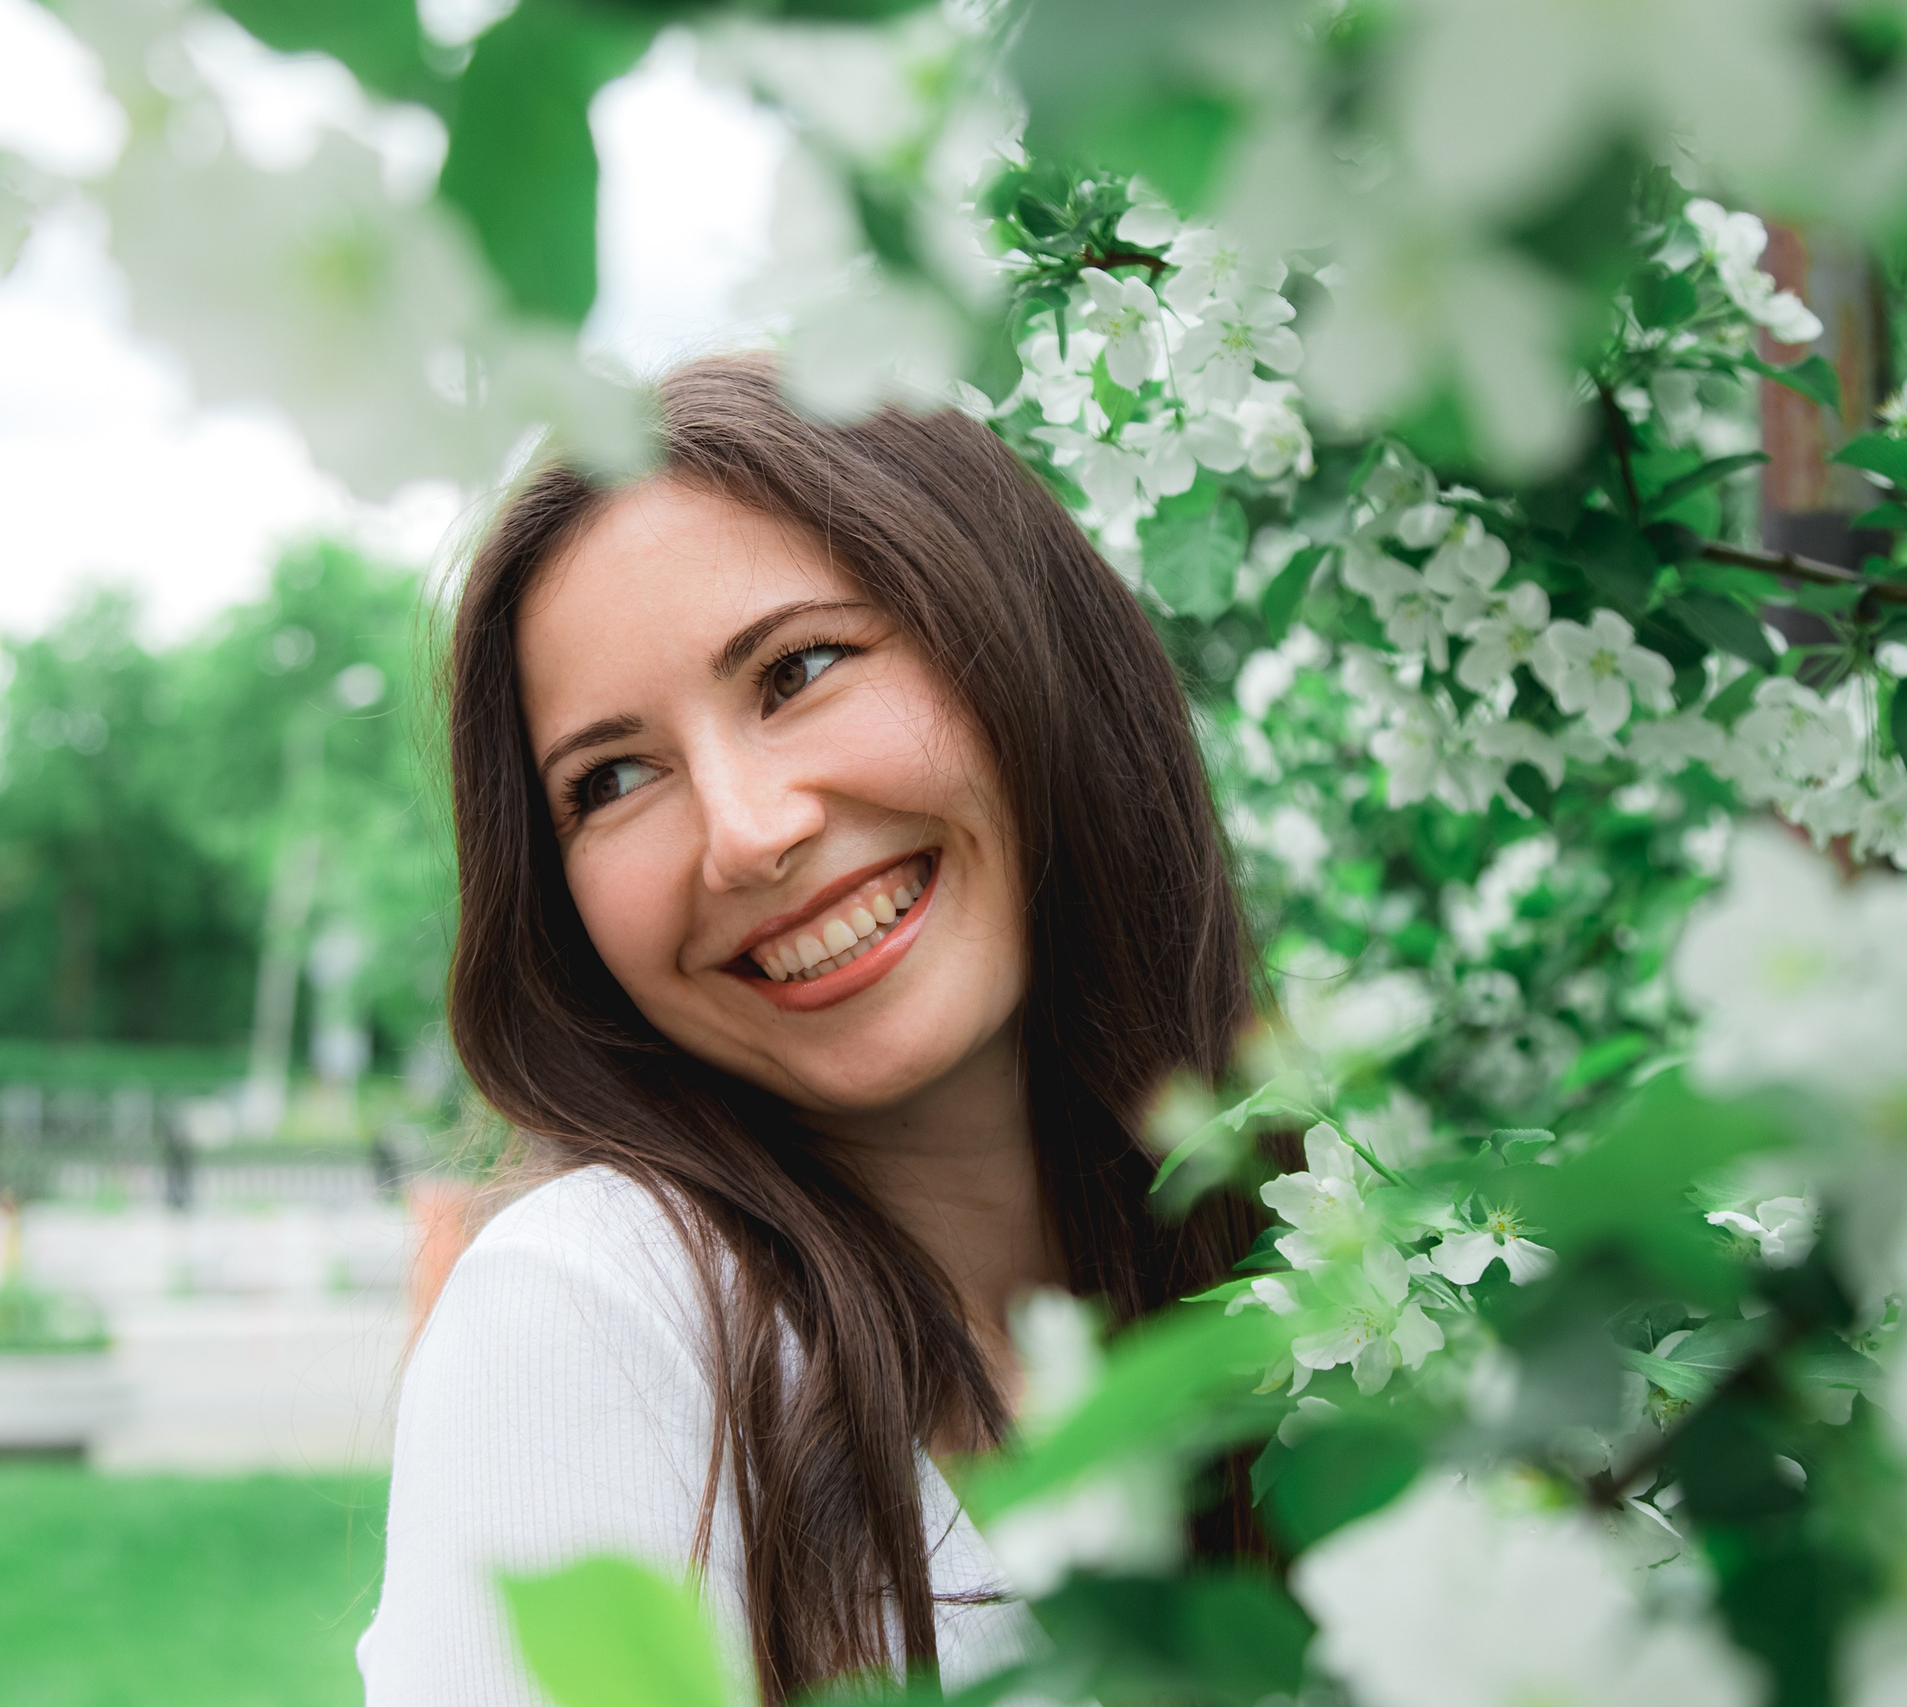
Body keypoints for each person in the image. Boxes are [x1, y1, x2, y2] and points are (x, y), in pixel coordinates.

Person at [358, 355, 1259, 1706]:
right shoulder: (596, 1311)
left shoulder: (1325, 1274)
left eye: (800, 669)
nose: (745, 834)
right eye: (613, 779)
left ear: (1023, 643)